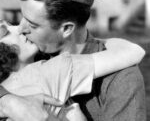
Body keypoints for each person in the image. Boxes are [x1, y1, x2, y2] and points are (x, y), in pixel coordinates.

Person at [0, 0, 146, 121]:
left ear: (66, 29)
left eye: (33, 24)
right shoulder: (27, 57)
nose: (20, 28)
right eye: (23, 17)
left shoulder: (121, 78)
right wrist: (7, 101)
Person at [0, 19, 145, 121]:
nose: (18, 28)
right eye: (5, 32)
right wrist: (101, 41)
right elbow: (134, 51)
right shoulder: (53, 70)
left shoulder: (7, 87)